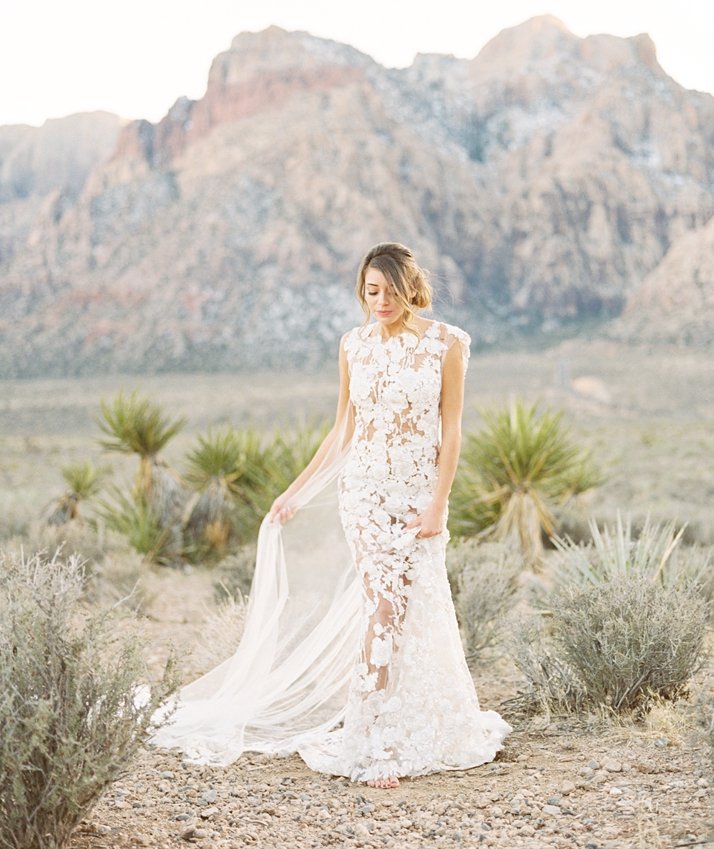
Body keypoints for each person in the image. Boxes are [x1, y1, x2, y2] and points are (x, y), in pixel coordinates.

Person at [151, 242, 508, 786]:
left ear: (410, 287)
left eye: (390, 290)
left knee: (416, 607)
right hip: (363, 493)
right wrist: (294, 491)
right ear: (361, 292)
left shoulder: (447, 344)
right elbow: (342, 428)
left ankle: (422, 719)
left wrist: (438, 502)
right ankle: (371, 738)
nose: (381, 300)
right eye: (371, 291)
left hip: (418, 498)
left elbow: (452, 428)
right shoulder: (353, 346)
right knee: (384, 608)